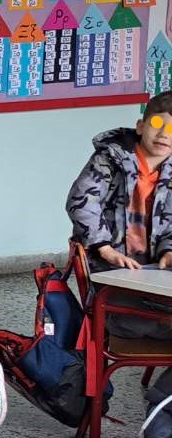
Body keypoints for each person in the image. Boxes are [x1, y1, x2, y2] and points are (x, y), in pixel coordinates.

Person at [68, 92, 172, 340]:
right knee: (128, 320)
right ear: (141, 126)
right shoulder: (109, 158)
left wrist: (169, 249)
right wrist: (104, 249)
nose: (164, 134)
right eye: (158, 123)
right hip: (113, 276)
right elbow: (81, 201)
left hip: (155, 276)